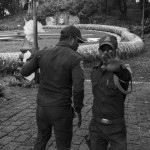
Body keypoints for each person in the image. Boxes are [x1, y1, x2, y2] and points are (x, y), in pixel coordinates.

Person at [21, 25, 86, 150]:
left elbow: (24, 72)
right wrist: (78, 109)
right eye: (79, 41)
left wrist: (32, 56)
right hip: (61, 109)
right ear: (72, 39)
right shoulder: (75, 58)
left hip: (42, 108)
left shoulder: (42, 53)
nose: (79, 45)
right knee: (63, 144)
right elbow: (78, 88)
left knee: (41, 138)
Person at [89, 35, 132, 150]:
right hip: (96, 125)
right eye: (103, 50)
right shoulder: (94, 72)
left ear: (116, 51)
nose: (106, 53)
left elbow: (126, 77)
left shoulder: (121, 71)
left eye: (110, 50)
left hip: (116, 127)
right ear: (99, 51)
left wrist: (117, 70)